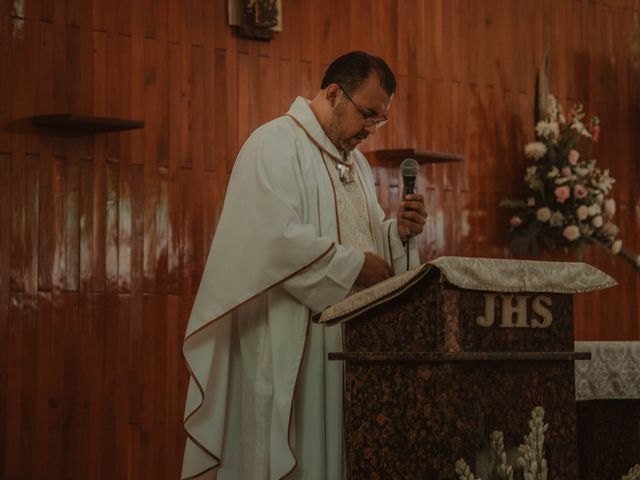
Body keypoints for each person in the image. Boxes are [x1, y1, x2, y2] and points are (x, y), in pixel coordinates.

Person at [181, 51, 427, 480]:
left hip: (343, 346)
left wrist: (397, 236)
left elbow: (364, 242)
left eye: (380, 120)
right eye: (367, 115)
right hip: (287, 341)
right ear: (334, 94)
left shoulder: (356, 162)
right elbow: (272, 241)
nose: (371, 130)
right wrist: (353, 268)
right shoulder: (274, 144)